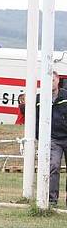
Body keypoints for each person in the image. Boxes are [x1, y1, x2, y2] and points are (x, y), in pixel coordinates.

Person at [34, 72, 67, 207]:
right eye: (47, 81)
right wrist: (38, 137)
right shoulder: (39, 98)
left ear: (58, 80)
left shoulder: (65, 96)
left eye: (52, 80)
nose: (50, 83)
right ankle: (52, 199)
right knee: (53, 166)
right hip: (52, 138)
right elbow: (36, 120)